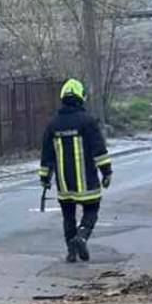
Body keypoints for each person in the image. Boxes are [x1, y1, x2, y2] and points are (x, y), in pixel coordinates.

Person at [39, 78, 112, 262]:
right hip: (87, 181)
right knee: (92, 209)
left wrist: (45, 178)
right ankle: (82, 236)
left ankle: (71, 252)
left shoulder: (53, 124)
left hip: (64, 184)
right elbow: (99, 150)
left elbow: (46, 154)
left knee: (68, 216)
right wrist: (106, 172)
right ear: (80, 98)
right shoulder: (88, 121)